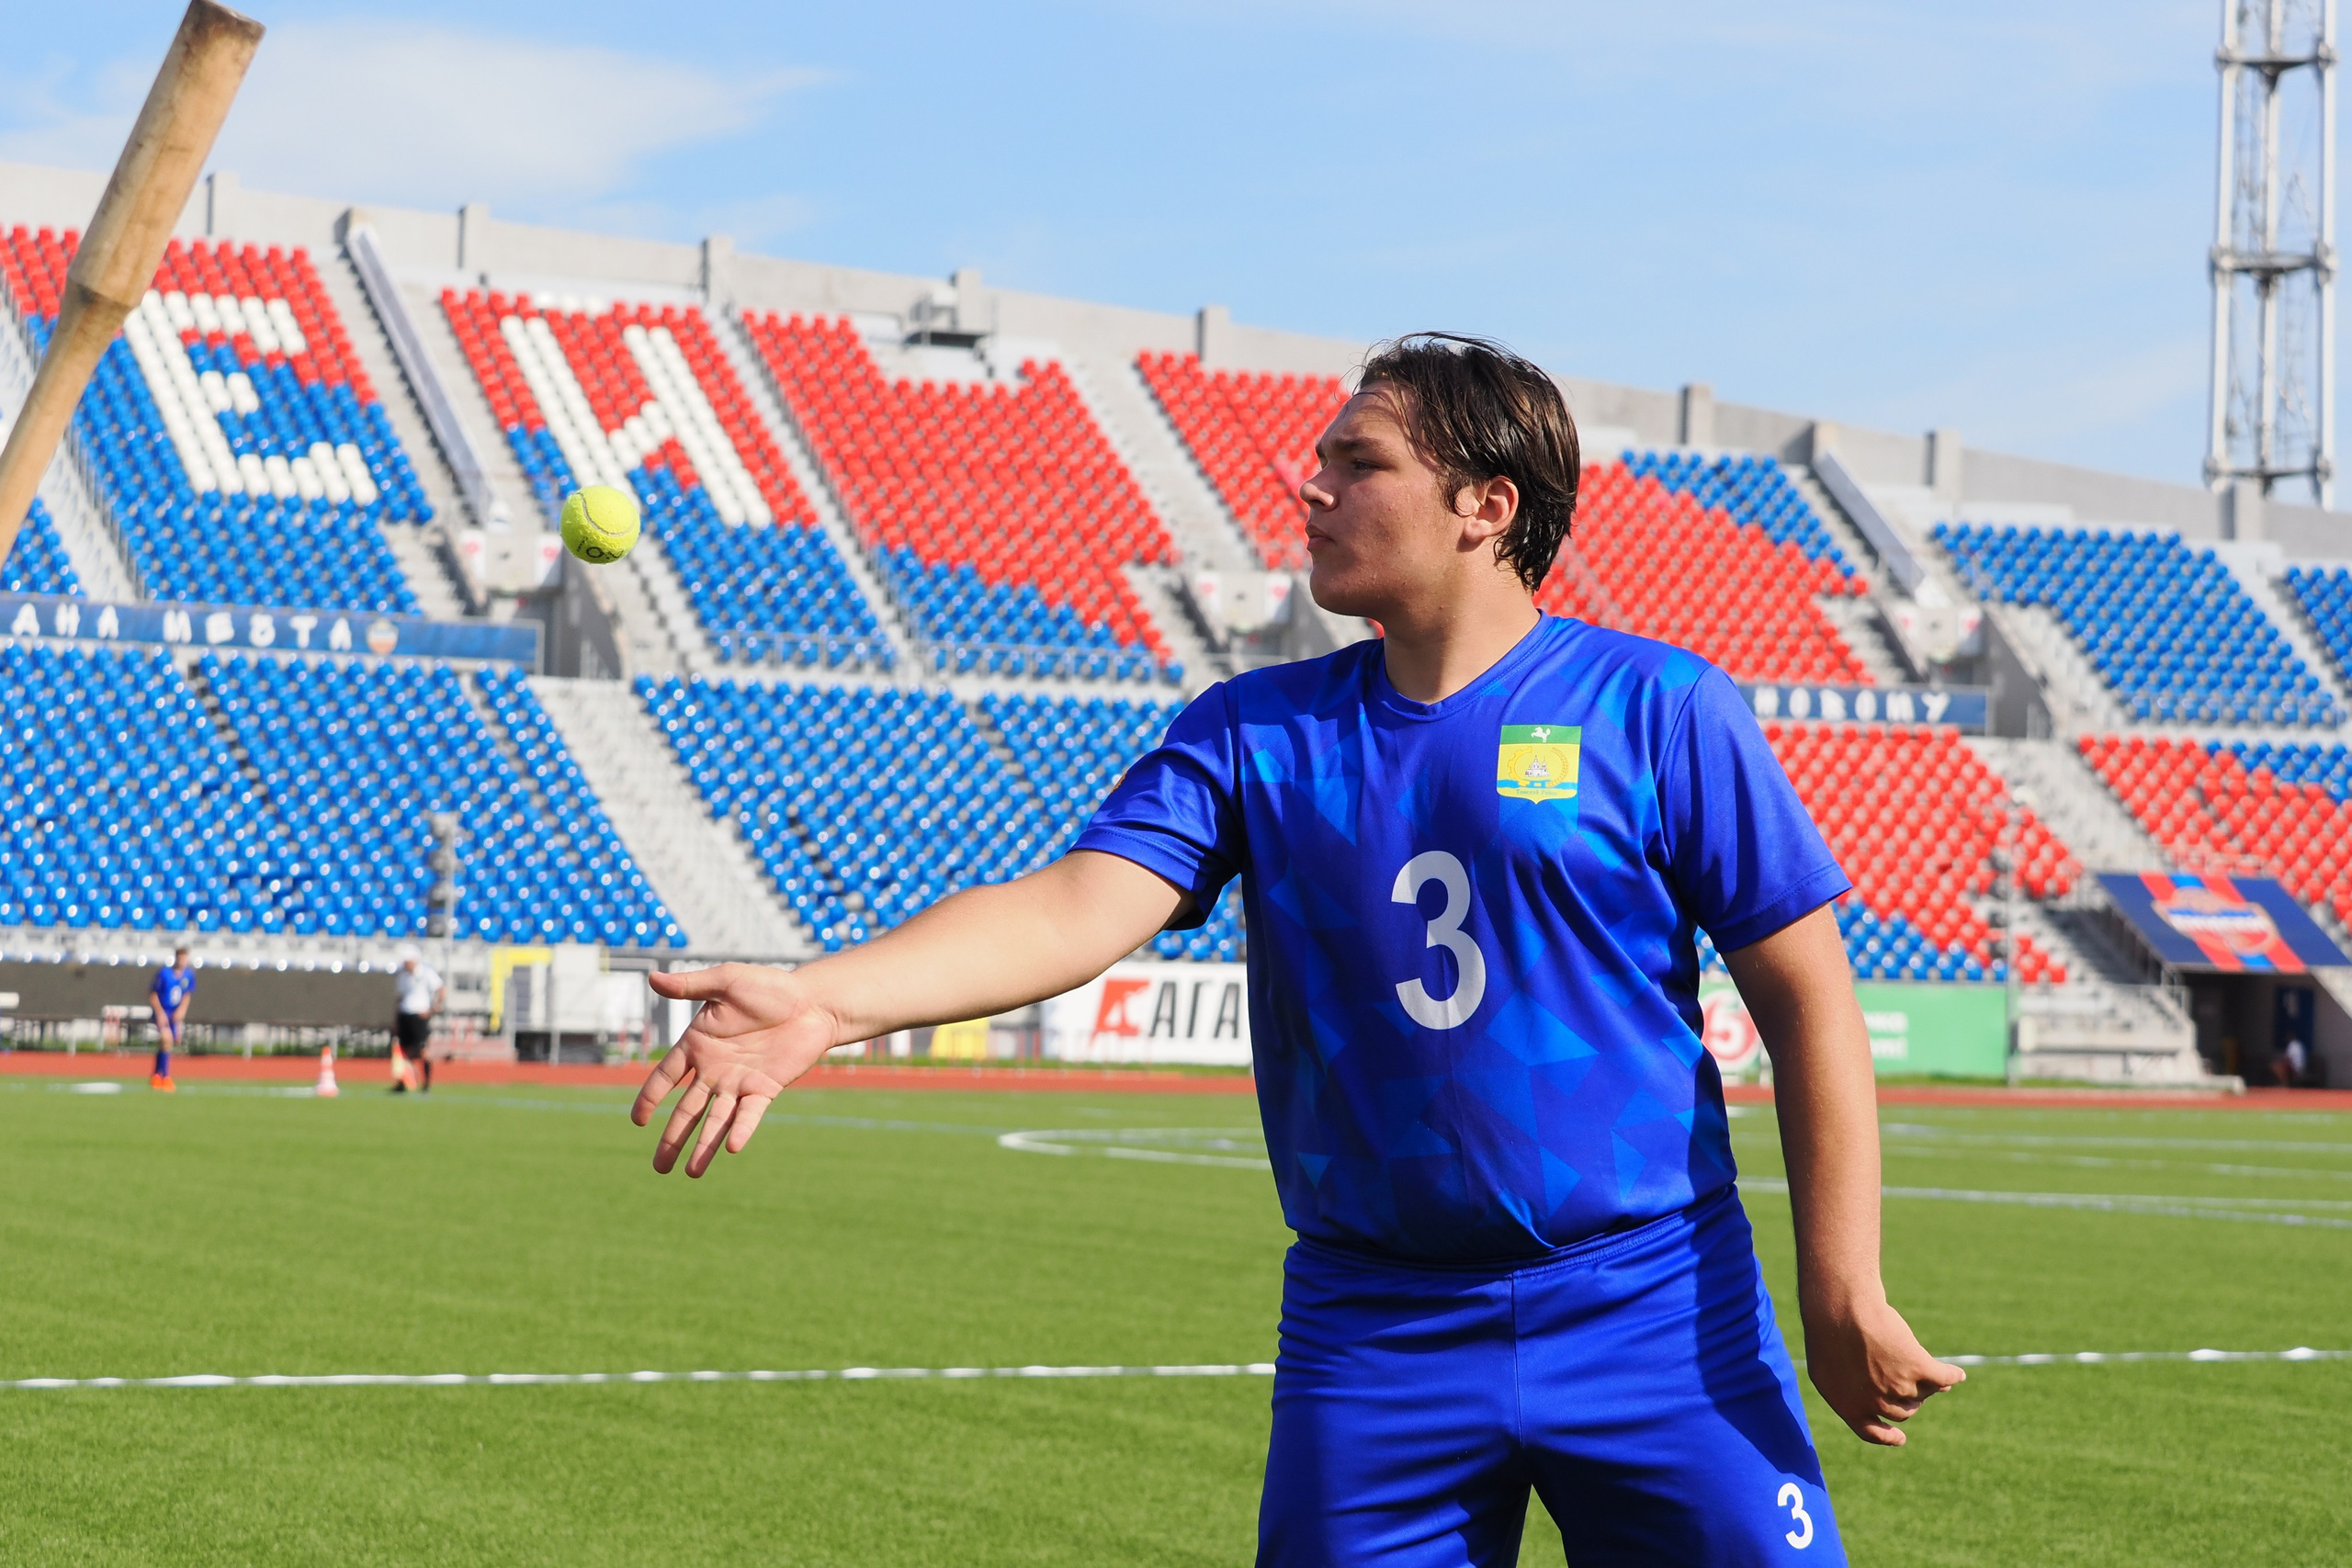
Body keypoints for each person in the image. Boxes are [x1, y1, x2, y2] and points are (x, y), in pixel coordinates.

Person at [633, 333, 1963, 1564]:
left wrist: (1841, 1287)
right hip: (1374, 1333)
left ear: (1487, 504)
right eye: (1321, 459)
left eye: (1358, 461)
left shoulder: (1661, 707)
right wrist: (824, 997)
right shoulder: (1252, 730)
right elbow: (1073, 907)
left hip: (1654, 1308)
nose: (1310, 487)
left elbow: (1810, 1006)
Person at [391, 943, 444, 1093]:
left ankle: (426, 1083)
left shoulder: (426, 973)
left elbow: (441, 989)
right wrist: (395, 1019)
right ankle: (403, 1081)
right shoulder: (402, 975)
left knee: (422, 1050)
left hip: (419, 1016)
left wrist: (434, 1008)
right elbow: (399, 998)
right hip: (404, 1015)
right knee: (403, 1051)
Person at [148, 946, 195, 1092]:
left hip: (175, 1014)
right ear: (176, 958)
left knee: (167, 1044)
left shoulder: (188, 975)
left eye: (185, 958)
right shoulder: (164, 974)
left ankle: (156, 1075)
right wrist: (160, 1013)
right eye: (180, 958)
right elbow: (153, 994)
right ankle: (166, 1077)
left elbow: (187, 995)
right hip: (163, 1012)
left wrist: (181, 1012)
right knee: (166, 1039)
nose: (183, 961)